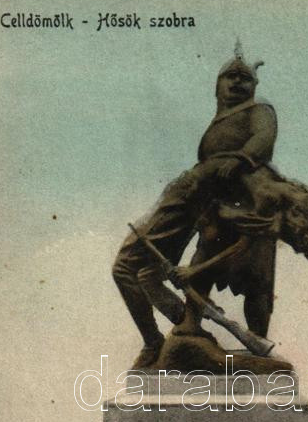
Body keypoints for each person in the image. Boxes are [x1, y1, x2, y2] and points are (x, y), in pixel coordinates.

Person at [113, 42, 279, 369]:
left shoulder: (260, 110)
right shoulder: (220, 122)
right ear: (217, 86)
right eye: (230, 76)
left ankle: (179, 335)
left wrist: (242, 158)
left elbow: (264, 138)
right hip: (202, 202)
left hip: (232, 203)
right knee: (140, 271)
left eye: (244, 78)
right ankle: (176, 329)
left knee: (256, 284)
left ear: (254, 86)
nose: (237, 82)